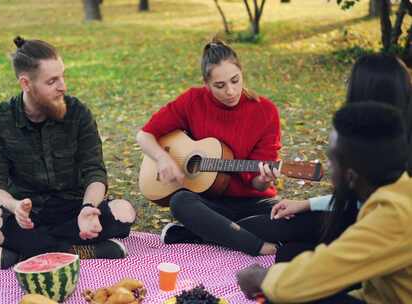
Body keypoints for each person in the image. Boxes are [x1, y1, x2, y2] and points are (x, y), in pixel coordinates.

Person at [0, 36, 136, 269]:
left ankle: (24, 251)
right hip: (26, 217)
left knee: (124, 212)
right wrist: (14, 207)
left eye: (62, 76)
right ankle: (77, 250)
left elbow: (94, 172)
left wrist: (88, 209)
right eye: (52, 81)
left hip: (74, 212)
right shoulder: (0, 119)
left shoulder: (78, 113)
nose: (63, 86)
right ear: (26, 83)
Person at [238, 53, 412, 262]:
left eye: (351, 83)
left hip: (379, 236)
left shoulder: (394, 149)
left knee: (287, 254)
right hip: (358, 216)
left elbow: (375, 208)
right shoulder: (373, 131)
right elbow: (357, 200)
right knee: (276, 226)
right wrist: (307, 204)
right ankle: (201, 233)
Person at [237, 102, 412, 304]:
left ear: (351, 175)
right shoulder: (398, 192)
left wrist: (261, 278)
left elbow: (321, 272)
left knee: (282, 296)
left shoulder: (394, 217)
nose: (328, 166)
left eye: (332, 159)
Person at [136, 39, 281, 256]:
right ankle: (256, 246)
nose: (230, 91)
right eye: (220, 86)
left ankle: (202, 233)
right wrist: (162, 158)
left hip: (252, 202)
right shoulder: (193, 101)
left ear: (242, 73)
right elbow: (144, 135)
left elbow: (259, 186)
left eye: (235, 80)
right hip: (209, 203)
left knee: (285, 218)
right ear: (206, 83)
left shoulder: (265, 111)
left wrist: (264, 178)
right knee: (180, 201)